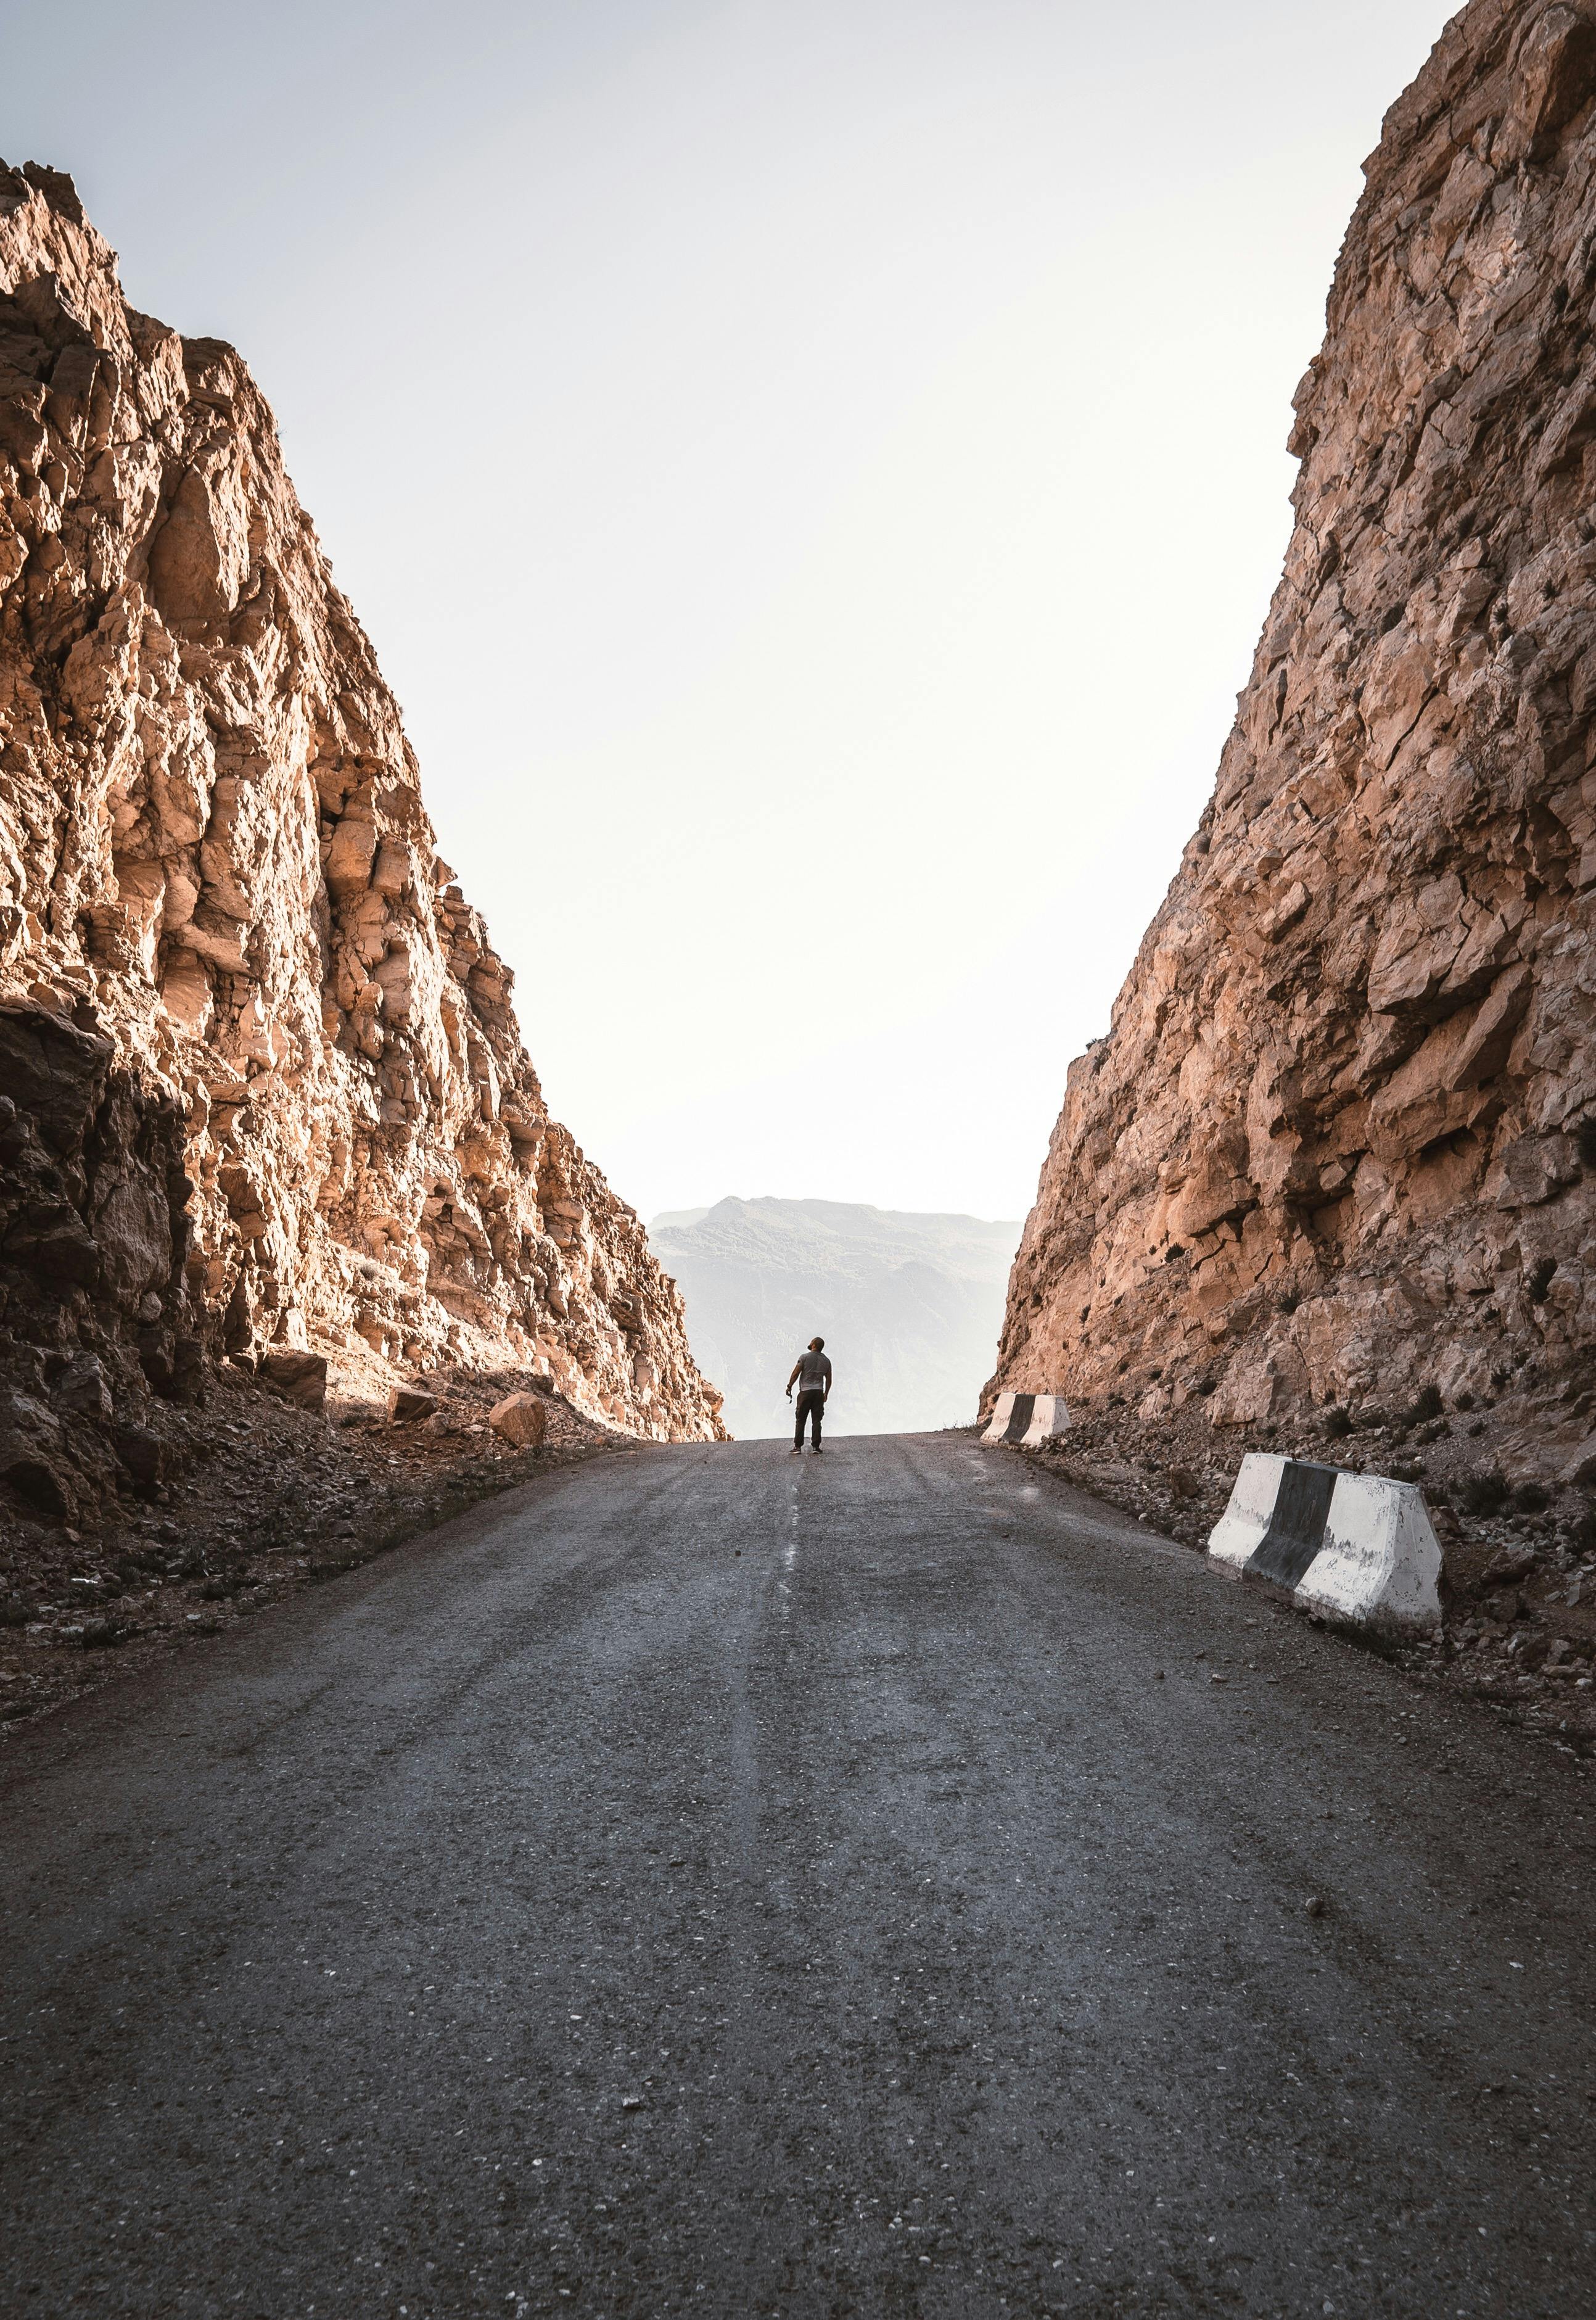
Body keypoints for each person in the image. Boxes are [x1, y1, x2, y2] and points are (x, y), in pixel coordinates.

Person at [786, 1337, 831, 1453]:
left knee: (801, 1420)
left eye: (811, 1342)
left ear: (814, 1345)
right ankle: (816, 1447)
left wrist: (789, 1386)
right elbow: (829, 1380)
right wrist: (826, 1393)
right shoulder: (826, 1361)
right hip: (818, 1393)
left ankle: (797, 1447)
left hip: (805, 1392)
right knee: (817, 1420)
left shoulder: (804, 1357)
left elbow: (796, 1373)